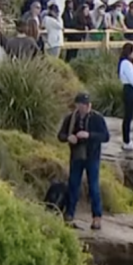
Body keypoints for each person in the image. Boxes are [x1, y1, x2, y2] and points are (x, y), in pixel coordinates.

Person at [57, 92, 111, 230]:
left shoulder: (97, 118)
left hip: (92, 157)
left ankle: (97, 217)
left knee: (93, 187)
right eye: (83, 104)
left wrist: (89, 135)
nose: (86, 107)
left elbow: (105, 136)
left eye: (87, 104)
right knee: (73, 184)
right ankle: (69, 213)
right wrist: (68, 137)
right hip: (76, 156)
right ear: (77, 105)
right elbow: (61, 135)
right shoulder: (71, 118)